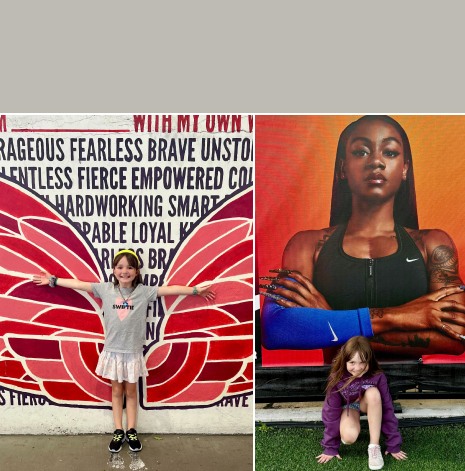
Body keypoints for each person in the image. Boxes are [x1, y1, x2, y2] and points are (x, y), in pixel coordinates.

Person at [260, 115, 465, 361]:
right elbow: (277, 330)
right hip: (332, 395)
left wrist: (330, 321)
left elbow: (457, 336)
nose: (376, 161)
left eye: (389, 152)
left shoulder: (433, 244)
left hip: (412, 396)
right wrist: (397, 316)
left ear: (405, 168)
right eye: (361, 152)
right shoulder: (307, 245)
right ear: (343, 168)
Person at [33, 250, 215, 453]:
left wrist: (195, 290)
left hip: (133, 353)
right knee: (116, 392)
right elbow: (79, 284)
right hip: (112, 352)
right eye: (120, 267)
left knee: (131, 392)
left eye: (129, 267)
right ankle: (118, 430)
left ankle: (131, 430)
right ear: (113, 270)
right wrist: (54, 280)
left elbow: (171, 290)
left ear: (136, 272)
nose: (124, 271)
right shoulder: (105, 289)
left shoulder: (144, 292)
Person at [317, 336, 406, 470]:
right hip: (348, 407)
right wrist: (330, 447)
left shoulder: (378, 377)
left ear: (369, 360)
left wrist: (393, 444)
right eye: (352, 362)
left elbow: (387, 408)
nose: (357, 368)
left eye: (362, 362)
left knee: (373, 393)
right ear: (344, 360)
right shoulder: (337, 378)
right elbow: (330, 412)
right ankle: (345, 427)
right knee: (349, 437)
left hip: (368, 403)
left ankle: (374, 447)